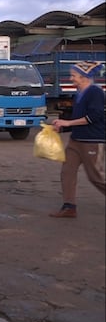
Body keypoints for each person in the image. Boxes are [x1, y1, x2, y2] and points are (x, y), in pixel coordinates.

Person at [49, 61, 106, 218]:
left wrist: (68, 123)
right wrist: (63, 126)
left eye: (74, 75)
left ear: (84, 77)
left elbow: (94, 116)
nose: (71, 78)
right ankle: (69, 206)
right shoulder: (80, 93)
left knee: (97, 177)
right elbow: (77, 118)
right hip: (76, 140)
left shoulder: (95, 92)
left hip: (93, 140)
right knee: (67, 171)